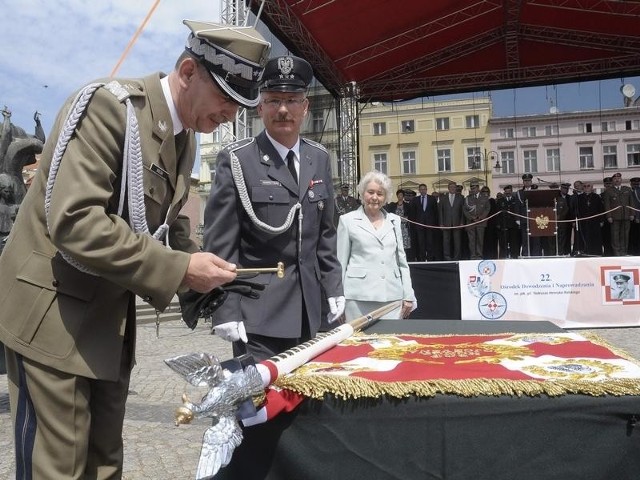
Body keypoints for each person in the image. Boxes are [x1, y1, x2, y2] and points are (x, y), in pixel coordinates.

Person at [0, 20, 270, 479]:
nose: (231, 114)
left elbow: (165, 229)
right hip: (51, 319)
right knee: (59, 468)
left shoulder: (183, 139)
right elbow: (75, 221)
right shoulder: (109, 108)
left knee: (104, 464)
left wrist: (211, 285)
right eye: (226, 98)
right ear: (188, 71)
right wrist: (182, 268)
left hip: (104, 323)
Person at [202, 54, 344, 362]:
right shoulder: (238, 159)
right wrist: (224, 309)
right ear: (259, 106)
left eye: (292, 100)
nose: (283, 110)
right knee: (260, 407)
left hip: (310, 311)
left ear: (305, 107)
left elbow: (325, 236)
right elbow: (221, 244)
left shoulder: (318, 157)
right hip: (258, 315)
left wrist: (333, 287)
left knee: (307, 403)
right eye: (274, 100)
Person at [337, 170, 416, 320]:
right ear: (362, 193)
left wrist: (408, 294)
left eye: (380, 194)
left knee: (391, 343)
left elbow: (402, 262)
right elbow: (340, 263)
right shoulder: (347, 221)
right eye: (370, 192)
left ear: (385, 197)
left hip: (392, 298)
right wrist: (339, 299)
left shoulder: (394, 221)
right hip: (357, 299)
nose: (374, 197)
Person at [602, 172, 635, 256]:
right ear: (613, 180)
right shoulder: (609, 191)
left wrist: (632, 214)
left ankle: (624, 252)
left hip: (626, 216)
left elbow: (632, 202)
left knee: (625, 235)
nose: (617, 180)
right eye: (615, 179)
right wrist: (609, 216)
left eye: (619, 178)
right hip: (614, 217)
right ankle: (617, 252)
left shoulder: (627, 189)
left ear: (621, 180)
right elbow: (607, 205)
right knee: (615, 236)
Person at [408, 182, 438, 261]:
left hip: (430, 225)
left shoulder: (432, 199)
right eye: (421, 189)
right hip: (419, 225)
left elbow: (435, 212)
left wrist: (435, 225)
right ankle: (422, 259)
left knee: (430, 243)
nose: (423, 191)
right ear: (419, 190)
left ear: (426, 190)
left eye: (424, 189)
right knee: (421, 243)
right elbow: (413, 213)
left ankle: (430, 259)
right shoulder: (415, 200)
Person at [463, 181, 491, 260]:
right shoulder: (468, 198)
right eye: (471, 188)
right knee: (471, 241)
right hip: (471, 222)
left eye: (474, 188)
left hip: (481, 222)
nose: (473, 189)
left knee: (479, 240)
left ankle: (479, 255)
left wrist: (481, 217)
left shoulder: (484, 197)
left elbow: (487, 208)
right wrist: (471, 217)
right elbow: (465, 209)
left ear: (478, 188)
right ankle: (473, 256)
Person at [575, 182, 604, 256]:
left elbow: (601, 209)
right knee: (584, 236)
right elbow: (576, 209)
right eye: (584, 186)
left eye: (588, 186)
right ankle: (585, 251)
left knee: (595, 237)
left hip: (595, 221)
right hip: (583, 221)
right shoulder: (579, 197)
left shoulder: (597, 197)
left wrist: (601, 220)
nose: (586, 187)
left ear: (592, 187)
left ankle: (596, 252)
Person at [438, 181, 464, 260]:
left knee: (457, 242)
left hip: (457, 223)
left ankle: (457, 258)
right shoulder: (443, 198)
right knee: (446, 242)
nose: (453, 188)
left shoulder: (461, 197)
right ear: (448, 188)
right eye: (451, 187)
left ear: (456, 188)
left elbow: (462, 211)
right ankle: (447, 257)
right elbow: (440, 212)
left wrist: (462, 222)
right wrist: (441, 223)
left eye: (454, 187)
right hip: (446, 224)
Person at [384, 188, 412, 260]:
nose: (400, 196)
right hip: (395, 227)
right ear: (397, 196)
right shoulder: (393, 205)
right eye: (399, 195)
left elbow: (410, 216)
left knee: (405, 243)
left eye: (401, 195)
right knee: (396, 242)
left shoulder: (407, 205)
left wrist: (406, 218)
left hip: (404, 227)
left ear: (403, 196)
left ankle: (405, 258)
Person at [496, 185, 522, 258]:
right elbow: (497, 213)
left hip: (513, 225)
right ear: (504, 192)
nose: (508, 193)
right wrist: (498, 224)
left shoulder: (515, 200)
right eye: (506, 192)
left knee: (514, 243)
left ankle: (514, 256)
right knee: (503, 243)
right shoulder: (501, 201)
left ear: (511, 191)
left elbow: (518, 211)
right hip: (504, 225)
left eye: (509, 191)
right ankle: (503, 257)